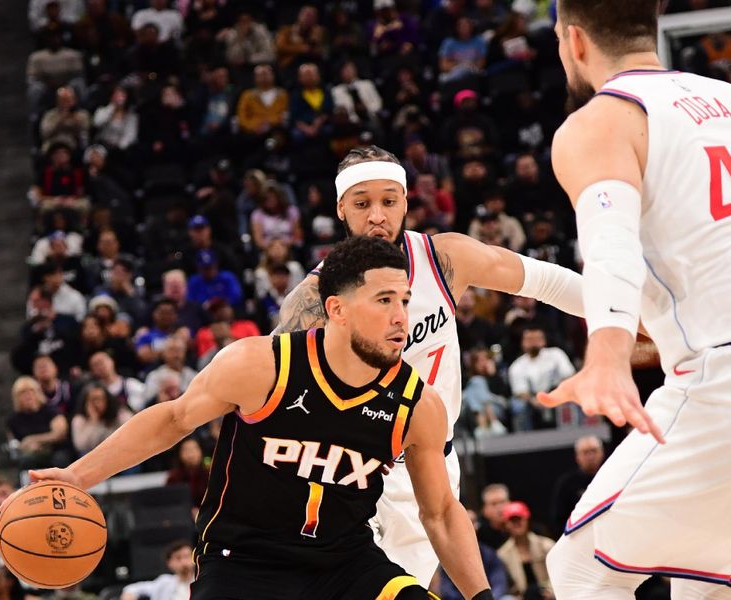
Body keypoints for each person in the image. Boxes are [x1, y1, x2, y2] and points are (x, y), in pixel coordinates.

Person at [10, 236, 493, 600]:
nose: (401, 317)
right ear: (337, 309)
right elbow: (173, 420)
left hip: (346, 564)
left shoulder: (418, 404)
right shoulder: (262, 365)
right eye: (384, 300)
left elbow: (442, 514)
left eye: (405, 301)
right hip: (244, 564)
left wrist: (483, 598)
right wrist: (76, 475)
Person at [275, 145, 586, 586]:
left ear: (405, 201)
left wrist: (619, 315)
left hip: (434, 463)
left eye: (388, 200)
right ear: (342, 208)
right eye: (362, 204)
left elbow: (545, 281)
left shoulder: (443, 259)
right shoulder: (312, 300)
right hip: (353, 470)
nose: (377, 215)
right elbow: (275, 391)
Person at [537, 1, 731, 598]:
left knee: (579, 567)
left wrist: (607, 352)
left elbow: (611, 244)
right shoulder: (724, 99)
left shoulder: (602, 121)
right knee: (702, 579)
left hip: (717, 374)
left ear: (573, 41)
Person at [497, 502, 555, 600]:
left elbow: (559, 572)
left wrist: (550, 592)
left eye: (519, 519)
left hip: (549, 594)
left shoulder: (546, 545)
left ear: (527, 520)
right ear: (506, 524)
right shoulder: (503, 554)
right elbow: (505, 584)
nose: (517, 523)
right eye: (512, 520)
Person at [550, 435, 604, 537]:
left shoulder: (611, 477)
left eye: (594, 451)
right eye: (585, 452)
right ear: (577, 457)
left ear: (602, 453)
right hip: (579, 536)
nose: (591, 456)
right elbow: (559, 519)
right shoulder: (566, 483)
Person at [120, 541, 193, 600]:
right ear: (169, 563)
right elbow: (132, 589)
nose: (184, 562)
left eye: (187, 556)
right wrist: (129, 595)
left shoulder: (202, 582)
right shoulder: (165, 582)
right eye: (178, 558)